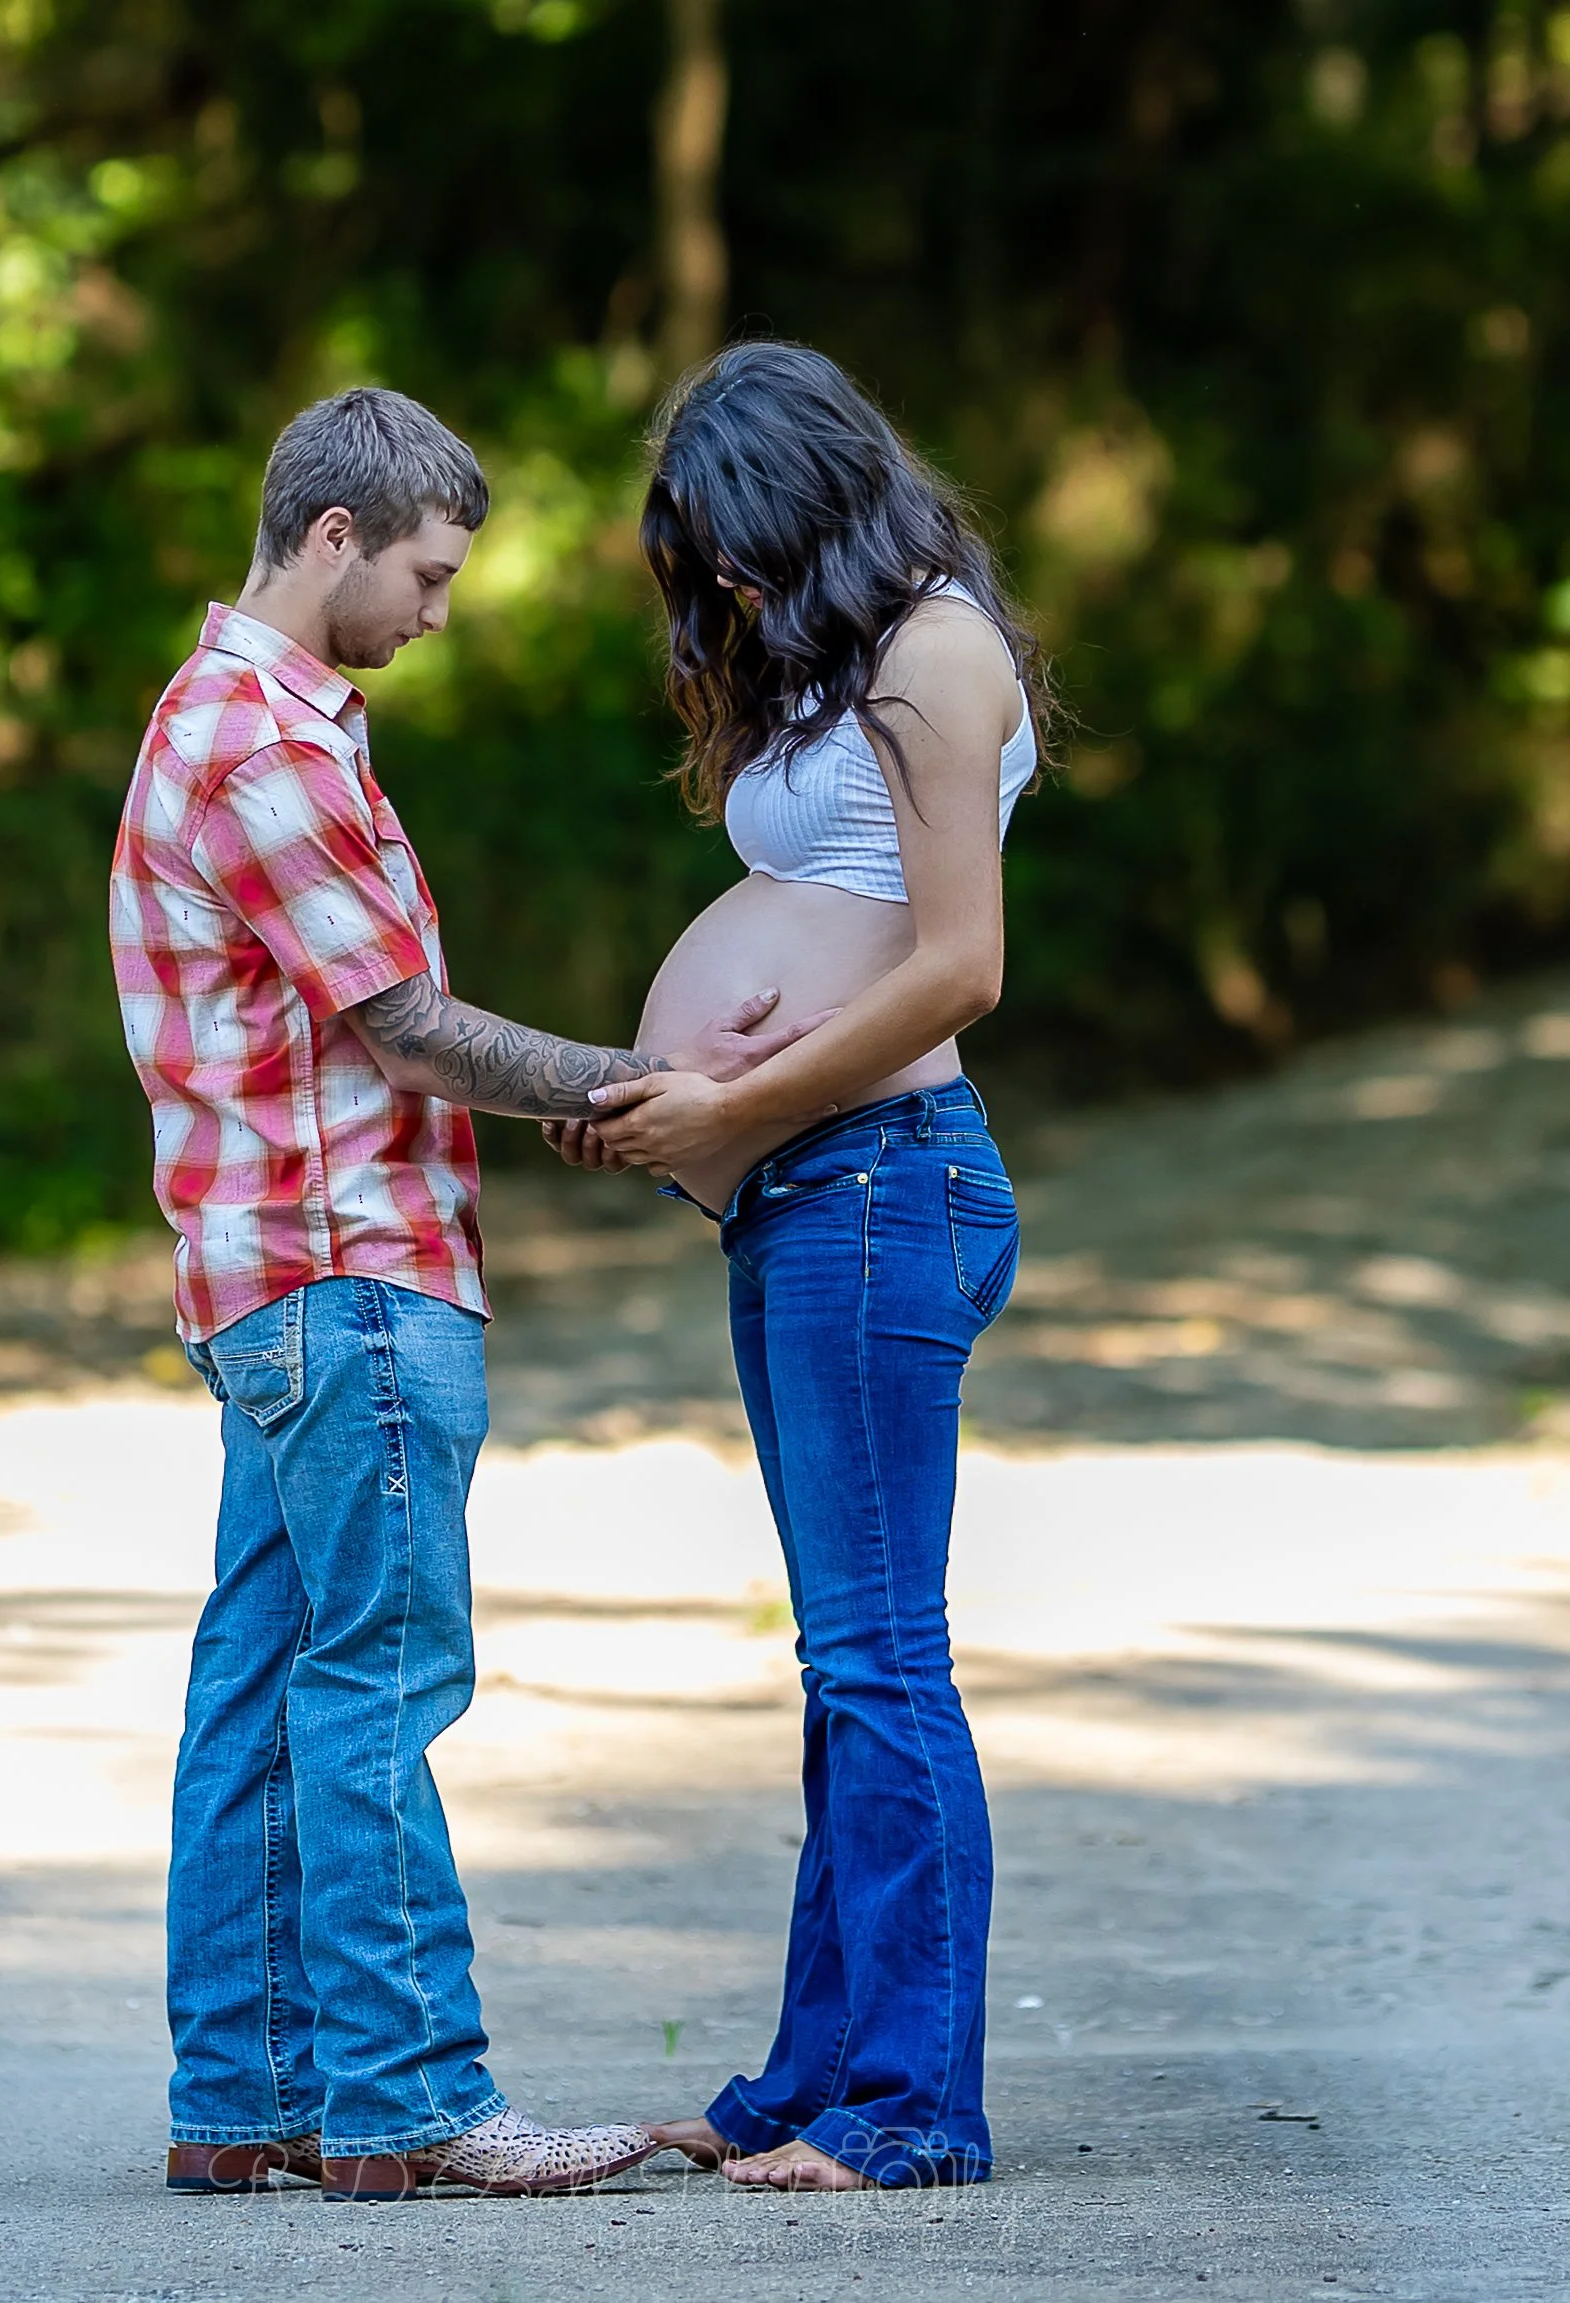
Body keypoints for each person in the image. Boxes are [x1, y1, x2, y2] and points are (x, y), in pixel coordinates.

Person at [109, 387, 818, 2202]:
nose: (439, 611)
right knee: (380, 1684)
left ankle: (253, 2092)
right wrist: (646, 1094)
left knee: (261, 1682)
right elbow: (405, 1027)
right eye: (427, 574)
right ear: (333, 537)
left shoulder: (233, 725)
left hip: (273, 1284)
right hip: (352, 1282)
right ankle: (416, 2095)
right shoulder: (262, 737)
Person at [546, 341, 1046, 2191]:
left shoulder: (937, 649)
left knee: (879, 1655)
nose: (727, 592)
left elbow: (958, 966)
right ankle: (817, 2077)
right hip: (807, 1189)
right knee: (846, 1657)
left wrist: (730, 1107)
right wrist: (689, 1111)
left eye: (737, 548)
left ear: (817, 494)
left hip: (880, 1183)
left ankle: (915, 2111)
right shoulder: (847, 659)